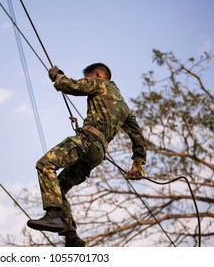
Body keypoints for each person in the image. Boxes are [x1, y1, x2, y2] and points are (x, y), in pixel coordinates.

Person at [27, 63, 147, 247]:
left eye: (89, 78)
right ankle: (71, 237)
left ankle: (52, 215)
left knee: (45, 164)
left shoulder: (101, 84)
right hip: (97, 154)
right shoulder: (124, 107)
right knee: (58, 187)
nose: (88, 81)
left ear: (99, 75)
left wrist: (57, 77)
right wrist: (138, 163)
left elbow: (71, 86)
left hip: (87, 141)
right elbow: (138, 137)